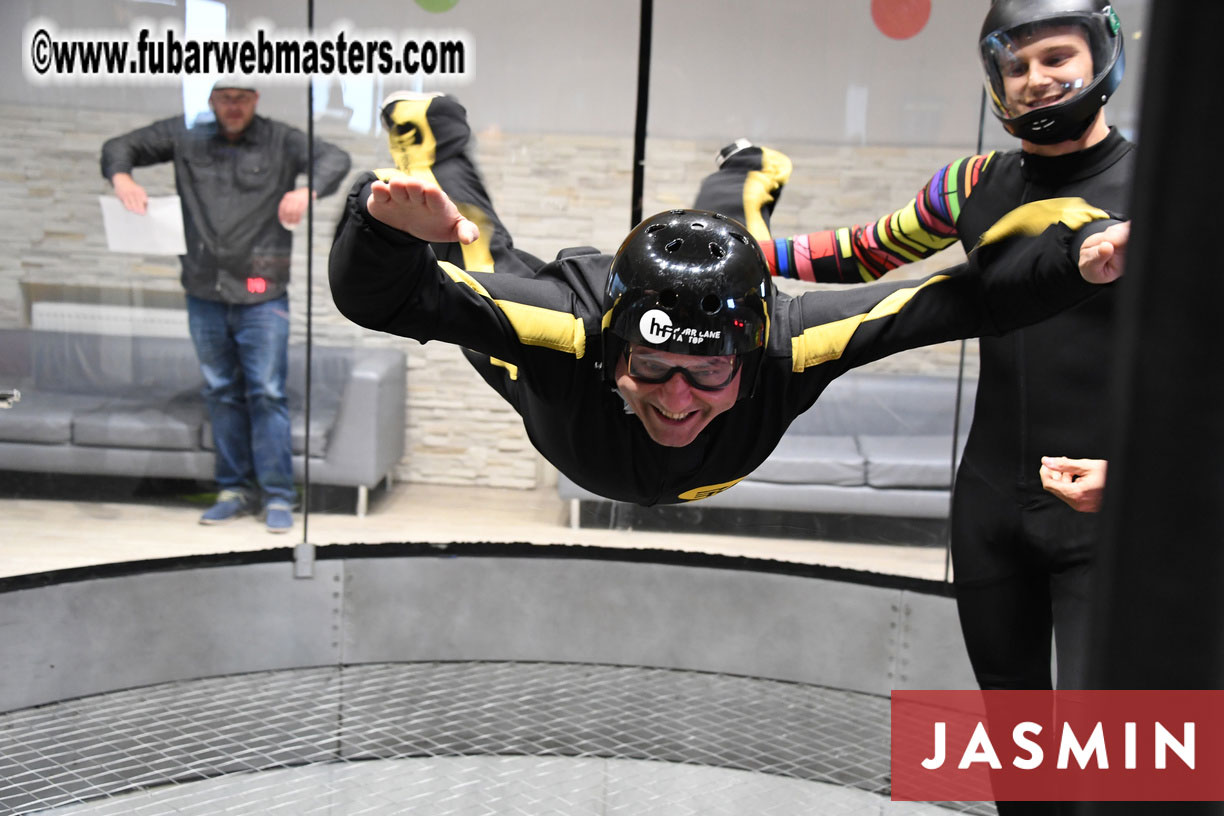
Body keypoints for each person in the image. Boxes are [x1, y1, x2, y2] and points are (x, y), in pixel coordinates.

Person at [329, 92, 1125, 512]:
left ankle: (747, 169)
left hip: (708, 323)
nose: (678, 399)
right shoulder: (569, 331)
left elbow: (959, 302)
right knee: (474, 250)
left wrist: (1074, 264)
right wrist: (385, 230)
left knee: (729, 239)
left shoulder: (790, 337)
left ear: (750, 349)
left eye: (708, 370)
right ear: (614, 349)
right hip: (559, 387)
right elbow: (390, 300)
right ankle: (432, 134)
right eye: (653, 366)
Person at [735, 0, 1131, 701]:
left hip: (1109, 514)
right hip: (989, 509)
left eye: (1056, 58)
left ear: (1101, 55)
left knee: (1113, 754)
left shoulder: (1161, 191)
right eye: (1017, 65)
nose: (1035, 78)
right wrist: (739, 252)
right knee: (1017, 740)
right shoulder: (972, 184)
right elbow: (864, 251)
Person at [101, 77, 352, 532]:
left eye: (242, 98)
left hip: (263, 293)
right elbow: (120, 146)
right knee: (220, 392)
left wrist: (307, 190)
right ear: (212, 99)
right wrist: (121, 178)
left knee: (267, 393)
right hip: (203, 291)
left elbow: (336, 159)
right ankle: (232, 490)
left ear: (256, 99)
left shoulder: (281, 139)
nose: (233, 106)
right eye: (224, 98)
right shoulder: (187, 134)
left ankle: (277, 495)